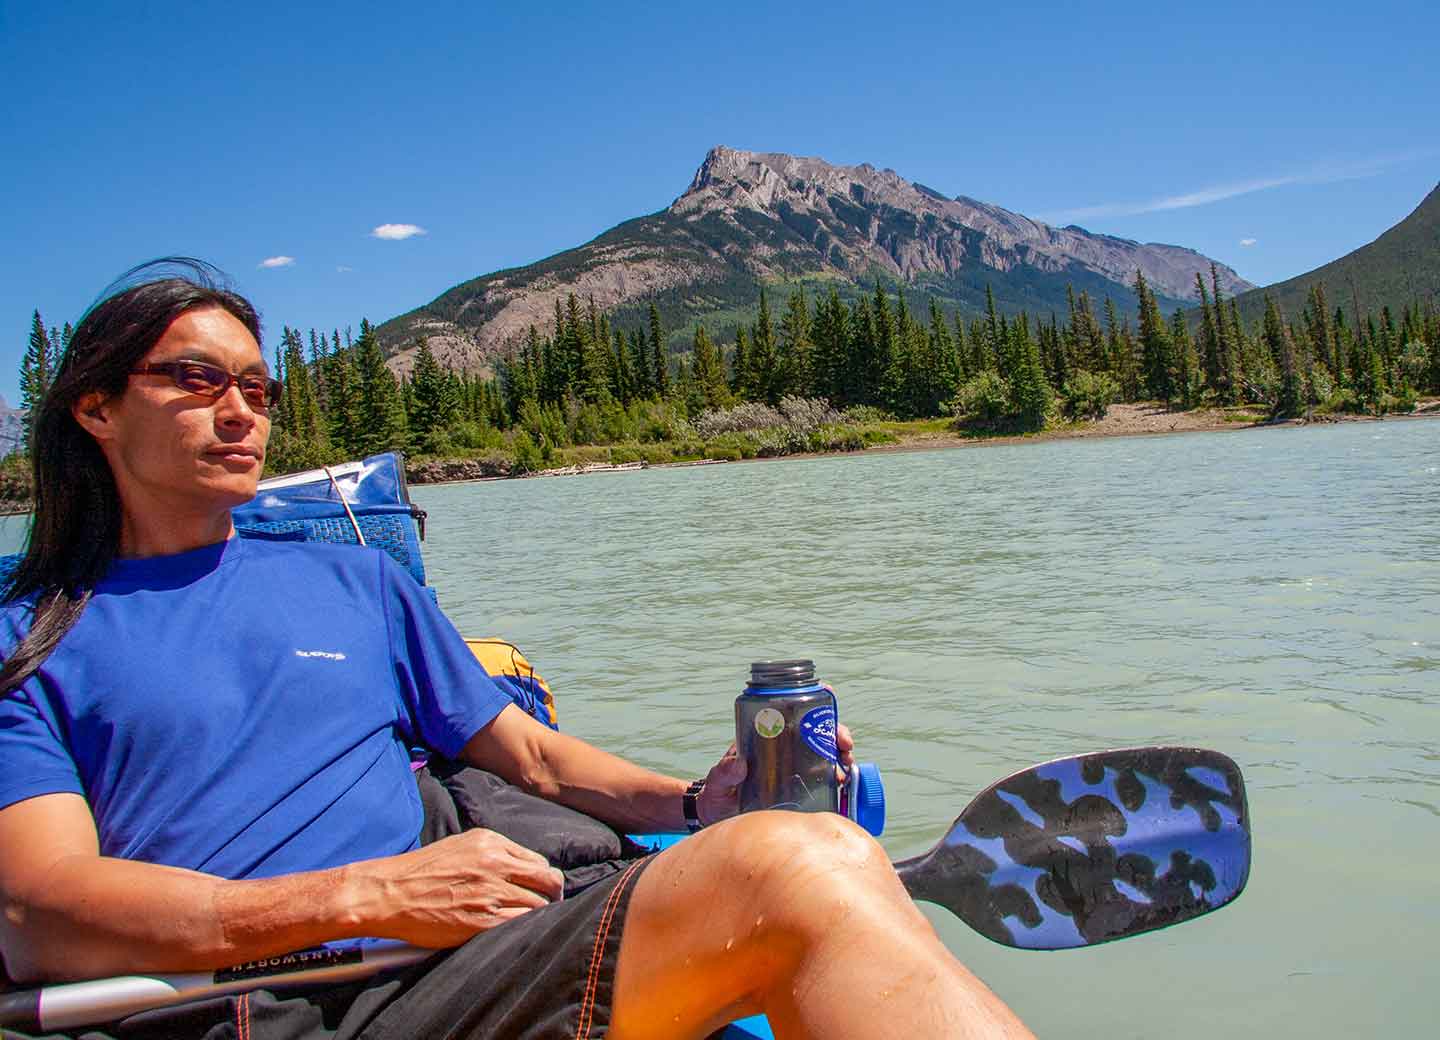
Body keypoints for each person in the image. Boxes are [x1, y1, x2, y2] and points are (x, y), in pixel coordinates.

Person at [0, 261, 1033, 1040]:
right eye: (195, 379)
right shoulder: (31, 635)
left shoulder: (358, 584)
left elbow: (533, 758)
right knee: (797, 868)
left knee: (813, 854)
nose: (240, 412)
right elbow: (38, 912)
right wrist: (371, 893)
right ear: (95, 406)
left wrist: (698, 803)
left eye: (258, 390)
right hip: (249, 1000)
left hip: (463, 959)